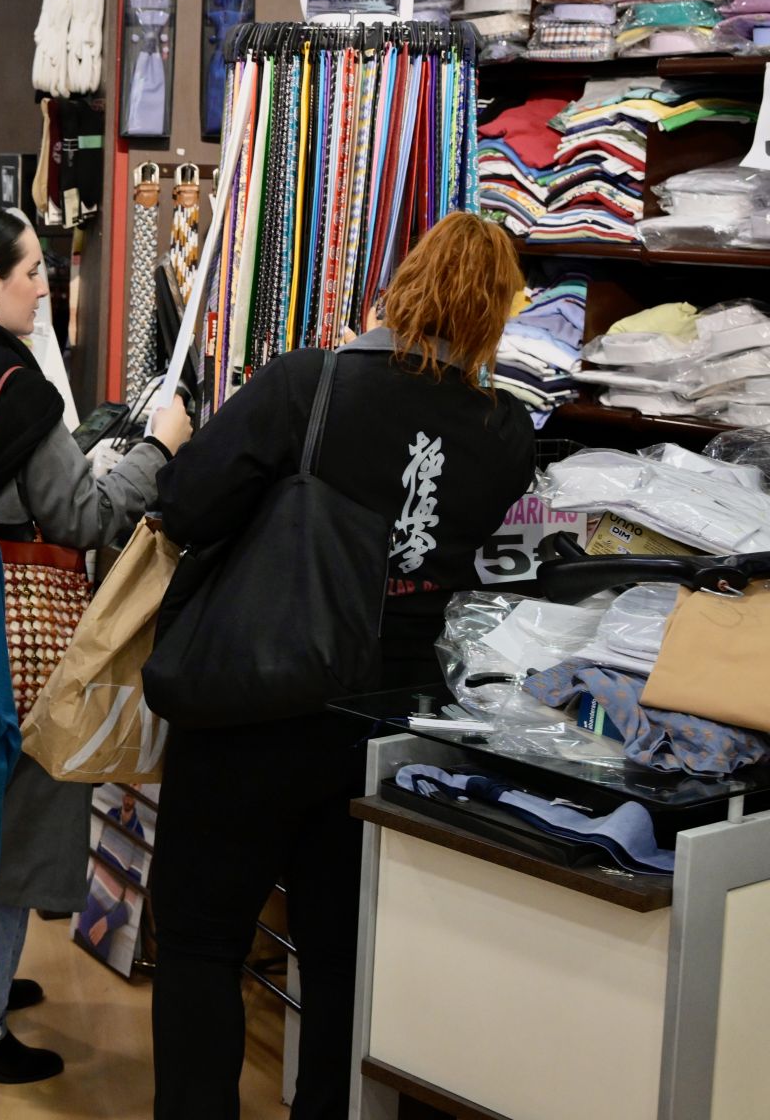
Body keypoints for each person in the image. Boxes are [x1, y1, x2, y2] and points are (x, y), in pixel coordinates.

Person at [147, 211, 537, 1120]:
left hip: (257, 694)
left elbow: (189, 504)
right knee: (344, 955)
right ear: (493, 318)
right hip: (391, 723)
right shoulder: (508, 430)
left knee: (204, 940)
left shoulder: (309, 384)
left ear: (403, 287)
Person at [0, 205, 193, 1087]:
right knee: (14, 830)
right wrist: (160, 449)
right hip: (12, 615)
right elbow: (81, 516)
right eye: (32, 275)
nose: (45, 291)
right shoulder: (18, 387)